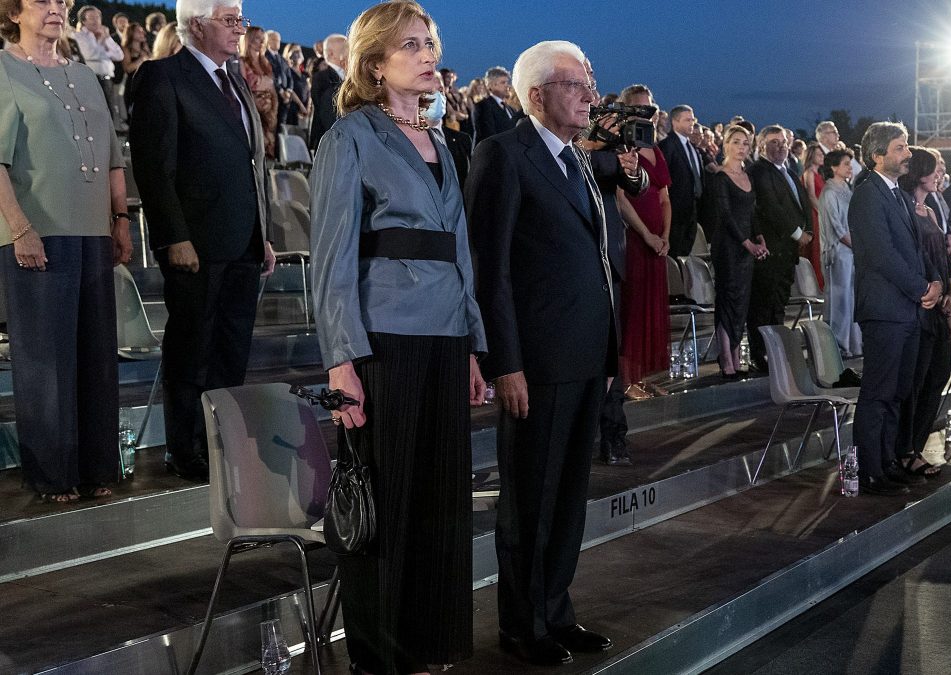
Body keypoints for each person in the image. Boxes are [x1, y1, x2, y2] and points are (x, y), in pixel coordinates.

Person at [308, 4, 487, 672]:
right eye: (410, 45)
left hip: (446, 340)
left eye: (431, 43)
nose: (427, 54)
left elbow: (460, 250)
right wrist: (341, 363)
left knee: (442, 504)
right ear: (375, 63)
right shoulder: (349, 137)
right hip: (382, 339)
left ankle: (432, 646)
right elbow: (330, 257)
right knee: (386, 507)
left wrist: (473, 343)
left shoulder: (445, 143)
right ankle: (379, 657)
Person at [466, 39, 615, 667]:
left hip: (583, 357)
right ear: (536, 96)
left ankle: (557, 610)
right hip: (536, 363)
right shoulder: (502, 156)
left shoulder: (576, 160)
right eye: (575, 83)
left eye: (589, 81)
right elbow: (489, 268)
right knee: (530, 500)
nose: (590, 94)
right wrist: (506, 362)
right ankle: (522, 624)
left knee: (568, 496)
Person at [129, 0, 275, 482]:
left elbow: (250, 166)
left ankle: (223, 442)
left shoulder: (233, 81)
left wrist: (264, 235)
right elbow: (154, 168)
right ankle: (184, 447)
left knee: (231, 350)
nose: (240, 30)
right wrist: (173, 237)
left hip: (243, 243)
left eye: (241, 20)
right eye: (230, 20)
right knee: (191, 349)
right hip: (196, 245)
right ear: (196, 25)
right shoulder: (162, 76)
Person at [0, 0, 131, 503]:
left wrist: (120, 220)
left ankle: (98, 466)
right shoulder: (5, 69)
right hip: (38, 232)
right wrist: (19, 228)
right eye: (44, 0)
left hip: (94, 232)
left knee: (97, 356)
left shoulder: (84, 74)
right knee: (46, 361)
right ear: (14, 11)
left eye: (63, 2)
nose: (57, 8)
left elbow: (112, 156)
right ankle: (52, 473)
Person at [847, 122, 938, 495]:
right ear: (877, 156)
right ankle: (869, 471)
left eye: (906, 147)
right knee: (879, 392)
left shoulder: (897, 194)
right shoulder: (868, 194)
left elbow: (914, 249)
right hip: (885, 309)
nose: (908, 154)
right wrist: (921, 288)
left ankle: (887, 462)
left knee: (899, 391)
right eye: (900, 148)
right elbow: (882, 254)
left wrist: (933, 283)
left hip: (907, 309)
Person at [587, 82, 648, 465]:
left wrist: (631, 164)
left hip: (611, 256)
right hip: (572, 258)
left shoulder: (612, 132)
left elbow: (635, 186)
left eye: (591, 85)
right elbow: (564, 166)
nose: (589, 93)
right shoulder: (564, 132)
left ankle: (614, 437)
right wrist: (595, 146)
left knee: (612, 354)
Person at [895, 146, 951, 476]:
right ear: (919, 173)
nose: (939, 174)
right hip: (920, 307)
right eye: (934, 169)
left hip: (940, 307)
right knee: (916, 382)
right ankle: (905, 450)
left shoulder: (930, 212)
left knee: (938, 377)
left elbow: (943, 264)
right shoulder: (904, 211)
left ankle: (915, 445)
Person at [612, 84, 668, 400]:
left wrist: (665, 237)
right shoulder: (620, 145)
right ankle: (628, 380)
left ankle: (644, 377)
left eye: (647, 107)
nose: (642, 113)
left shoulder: (656, 149)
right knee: (633, 310)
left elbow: (665, 197)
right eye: (636, 108)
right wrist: (646, 235)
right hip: (633, 239)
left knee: (652, 309)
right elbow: (620, 196)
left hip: (658, 242)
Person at [747, 124, 810, 370]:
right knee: (763, 305)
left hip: (787, 252)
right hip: (771, 249)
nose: (781, 146)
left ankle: (775, 352)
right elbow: (772, 208)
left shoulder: (788, 171)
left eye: (783, 141)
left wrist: (809, 232)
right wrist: (797, 234)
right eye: (774, 142)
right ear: (761, 145)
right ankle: (760, 353)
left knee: (778, 304)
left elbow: (800, 203)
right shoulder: (759, 171)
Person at [709, 125, 763, 377]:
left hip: (747, 248)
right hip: (728, 247)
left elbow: (752, 213)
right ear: (726, 145)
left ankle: (736, 354)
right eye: (737, 142)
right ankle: (726, 358)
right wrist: (747, 243)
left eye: (746, 144)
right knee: (728, 299)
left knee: (742, 302)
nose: (742, 148)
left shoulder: (748, 176)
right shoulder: (721, 177)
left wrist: (759, 239)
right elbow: (725, 215)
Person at [817, 148, 861, 357]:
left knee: (851, 298)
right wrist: (856, 244)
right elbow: (837, 227)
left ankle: (853, 344)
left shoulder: (846, 189)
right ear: (834, 167)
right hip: (838, 253)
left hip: (851, 252)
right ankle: (838, 345)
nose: (849, 167)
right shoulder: (829, 192)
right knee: (839, 299)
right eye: (845, 163)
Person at [659, 104, 703, 256]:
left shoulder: (693, 148)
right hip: (675, 212)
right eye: (687, 120)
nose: (692, 123)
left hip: (691, 211)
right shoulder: (667, 146)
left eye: (693, 119)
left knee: (685, 254)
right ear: (675, 122)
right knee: (674, 256)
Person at [71, 5, 122, 122]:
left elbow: (119, 55)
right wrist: (102, 42)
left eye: (98, 17)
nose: (96, 20)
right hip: (92, 80)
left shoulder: (103, 35)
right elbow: (91, 55)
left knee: (110, 113)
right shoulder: (80, 37)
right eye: (92, 17)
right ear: (83, 21)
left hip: (108, 80)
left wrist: (106, 39)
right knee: (96, 115)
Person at [238, 26, 276, 159]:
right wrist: (263, 83)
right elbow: (245, 88)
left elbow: (272, 88)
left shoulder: (266, 64)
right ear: (248, 40)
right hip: (253, 111)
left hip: (269, 113)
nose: (261, 42)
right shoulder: (242, 62)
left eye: (263, 39)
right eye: (257, 39)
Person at [309, 33, 345, 152]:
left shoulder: (349, 77)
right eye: (346, 49)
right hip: (329, 142)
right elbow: (326, 112)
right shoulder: (321, 78)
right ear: (331, 53)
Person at [799, 143, 826, 289]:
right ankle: (815, 284)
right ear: (811, 156)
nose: (822, 157)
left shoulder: (818, 173)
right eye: (819, 154)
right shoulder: (809, 173)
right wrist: (822, 213)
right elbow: (811, 196)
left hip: (819, 211)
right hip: (815, 214)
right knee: (815, 248)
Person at [471, 65, 516, 141]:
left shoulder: (511, 109)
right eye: (503, 83)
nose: (507, 86)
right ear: (491, 85)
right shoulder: (483, 107)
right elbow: (489, 136)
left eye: (507, 82)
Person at [119, 21, 148, 109]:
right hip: (133, 85)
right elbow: (127, 68)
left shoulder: (146, 49)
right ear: (131, 33)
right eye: (138, 31)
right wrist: (141, 59)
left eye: (142, 31)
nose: (142, 33)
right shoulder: (126, 49)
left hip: (146, 86)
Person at [280, 43, 310, 126]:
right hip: (292, 110)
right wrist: (301, 106)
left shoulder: (305, 74)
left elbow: (308, 91)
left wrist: (307, 108)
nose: (298, 54)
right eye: (295, 51)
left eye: (299, 51)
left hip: (304, 112)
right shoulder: (287, 71)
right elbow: (290, 90)